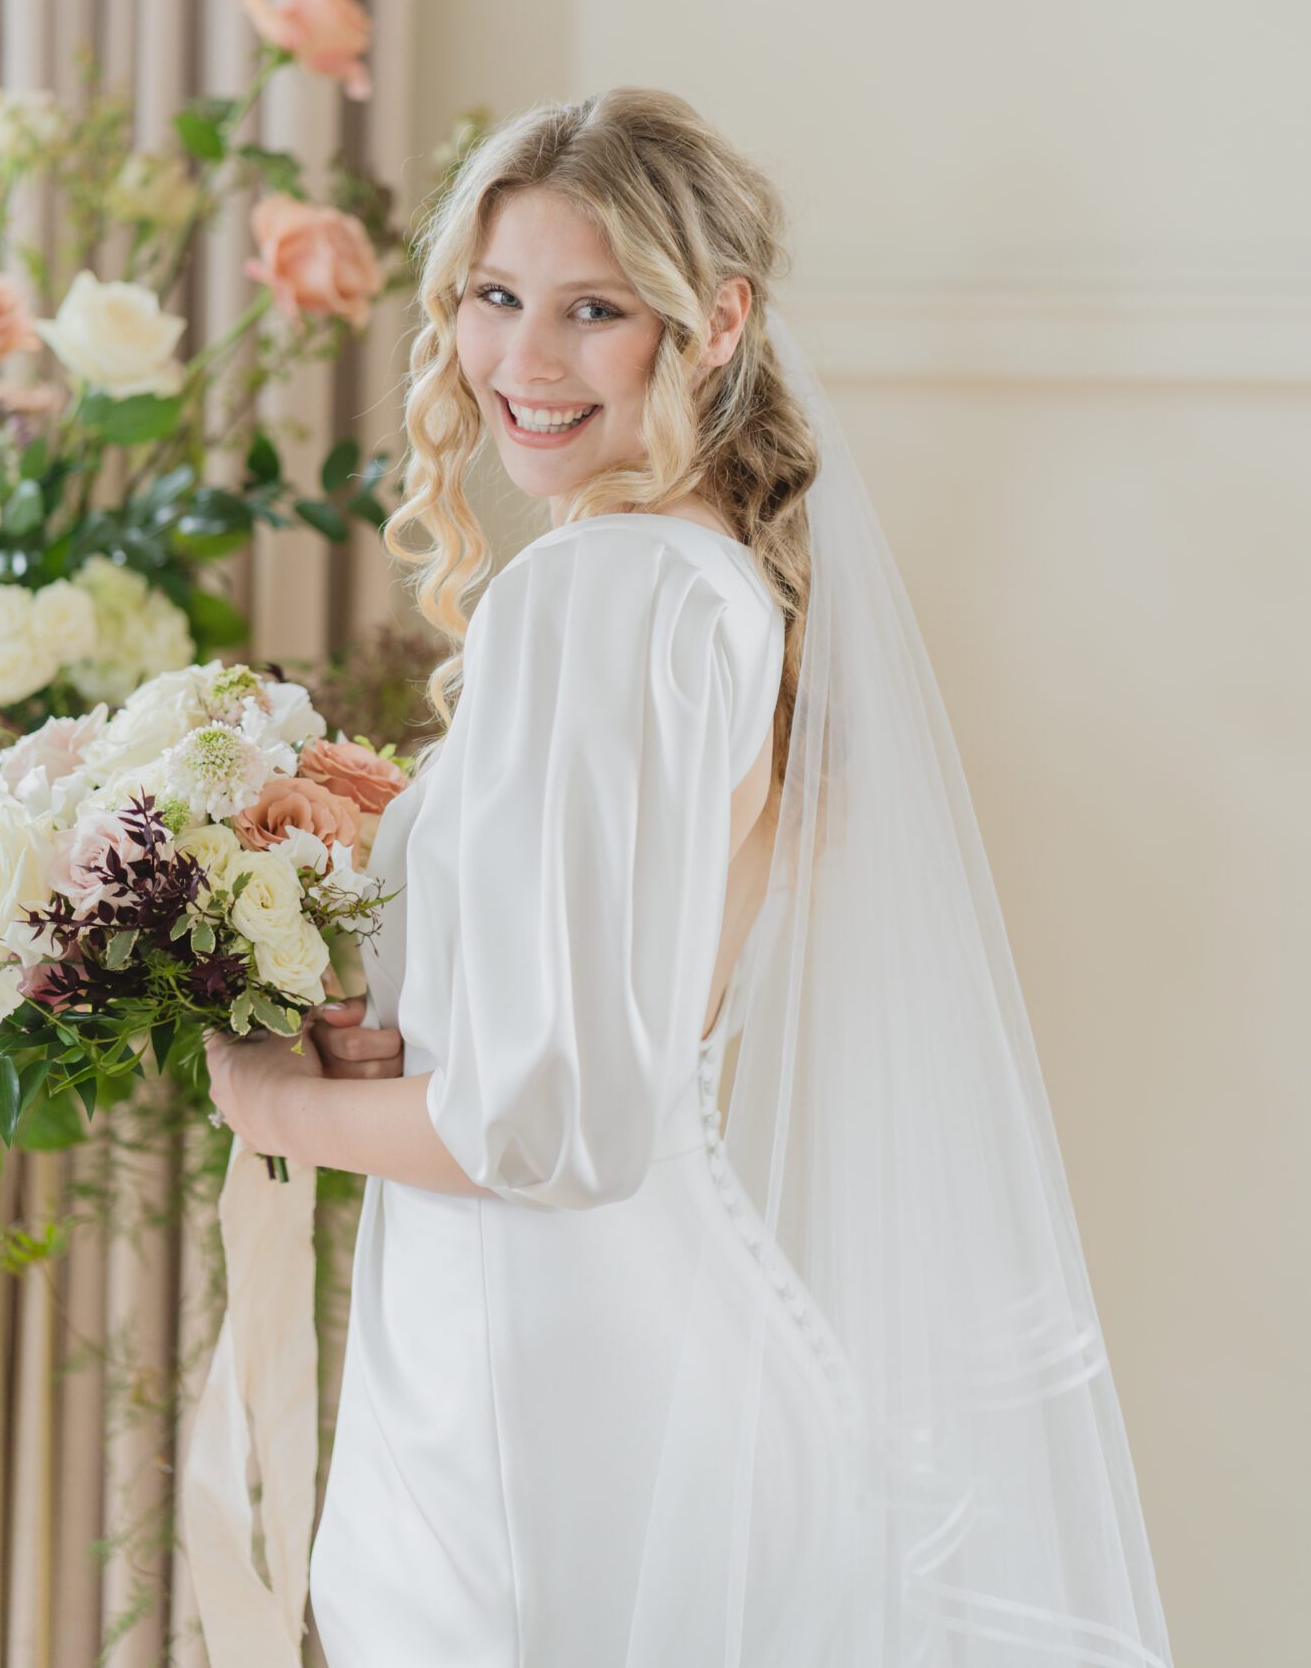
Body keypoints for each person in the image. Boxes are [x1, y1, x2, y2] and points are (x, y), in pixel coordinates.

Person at [205, 89, 1174, 1665]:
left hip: (545, 1407)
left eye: (592, 311)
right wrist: (395, 1032)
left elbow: (549, 1122)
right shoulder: (710, 585)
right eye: (492, 299)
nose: (521, 360)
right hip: (624, 1368)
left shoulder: (597, 598)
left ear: (711, 320)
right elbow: (584, 1054)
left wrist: (266, 1100)